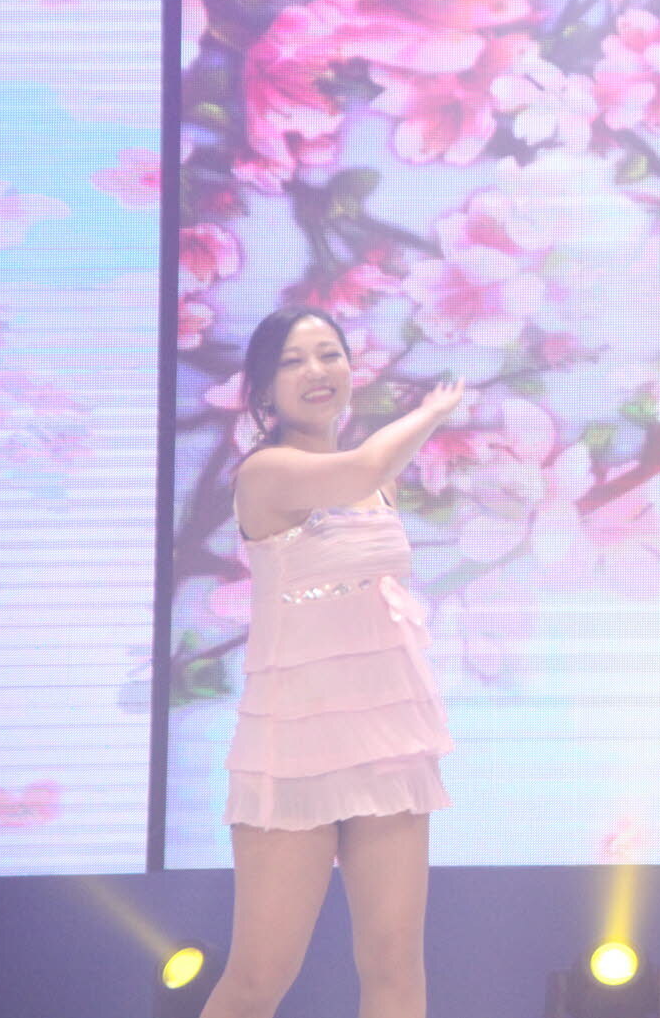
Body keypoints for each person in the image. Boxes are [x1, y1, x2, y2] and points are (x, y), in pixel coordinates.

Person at [201, 305, 465, 1018]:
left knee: (394, 965)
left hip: (385, 736)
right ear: (263, 390)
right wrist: (433, 410)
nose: (316, 371)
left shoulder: (378, 484)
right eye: (293, 361)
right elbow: (363, 466)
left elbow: (370, 482)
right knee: (258, 977)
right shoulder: (266, 472)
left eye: (329, 354)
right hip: (294, 745)